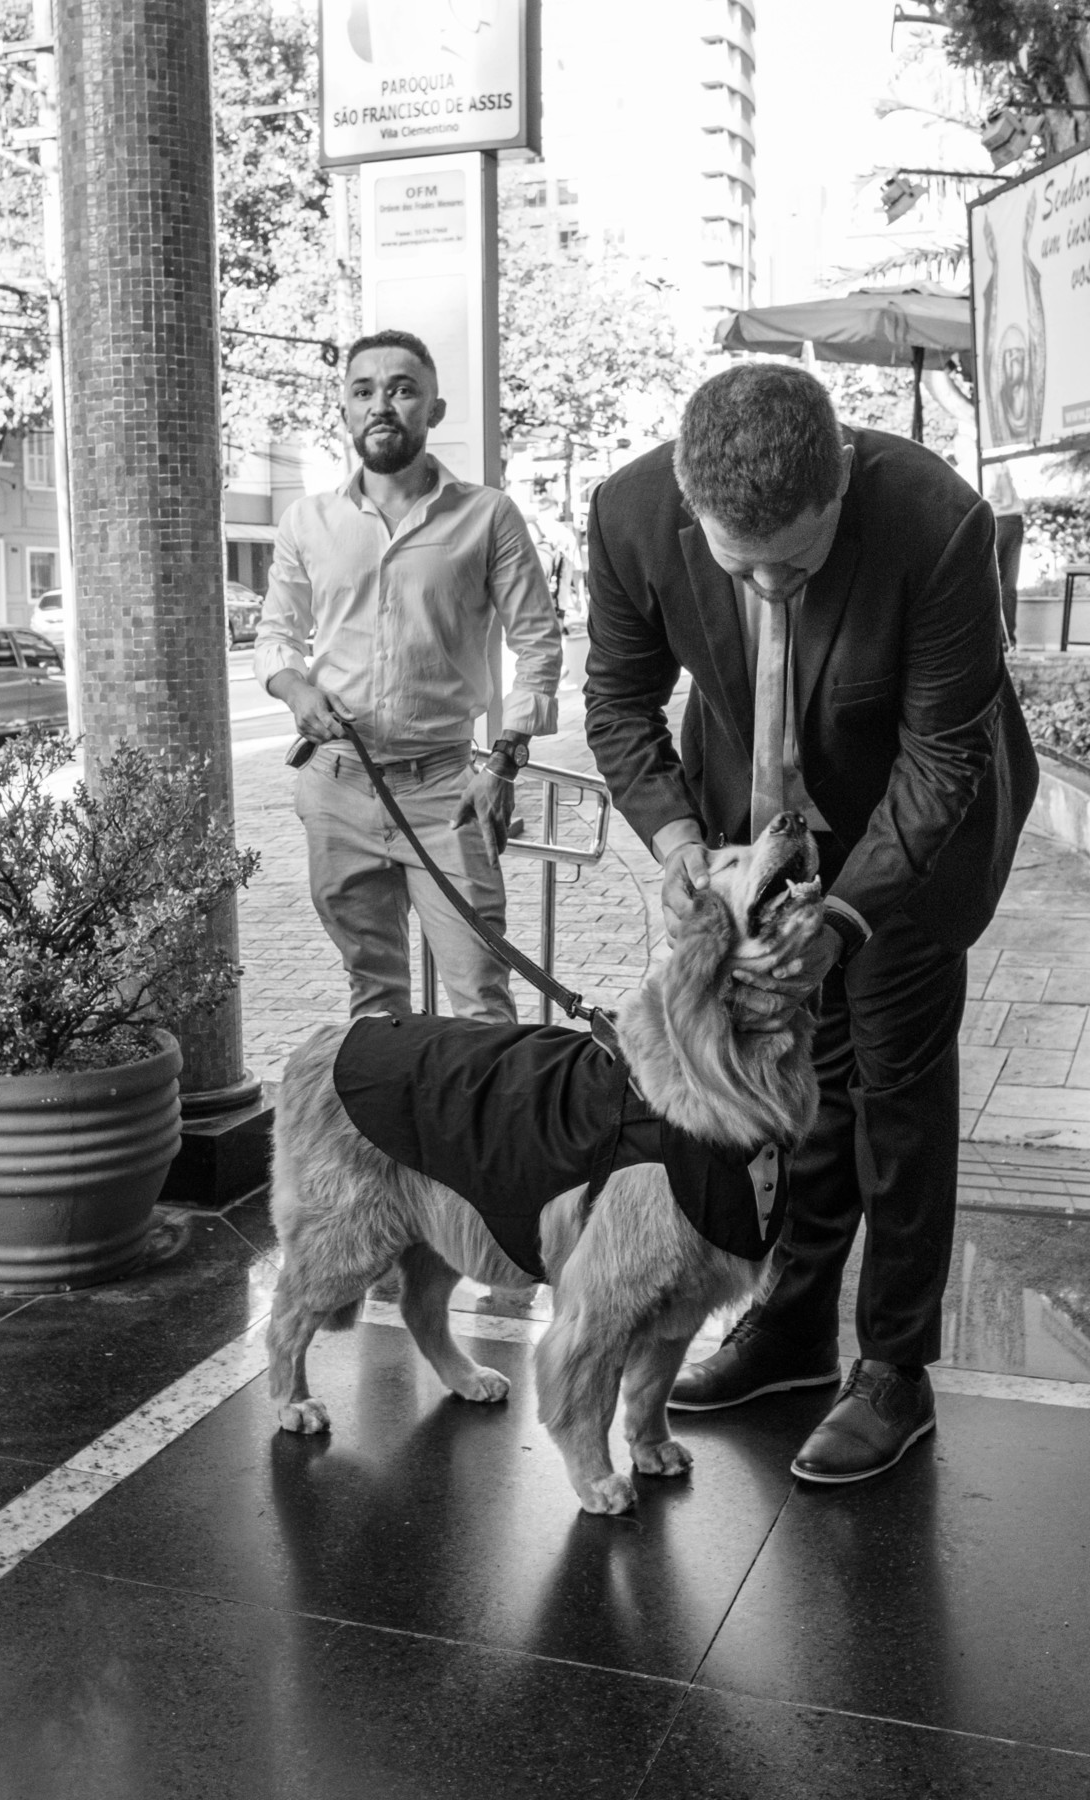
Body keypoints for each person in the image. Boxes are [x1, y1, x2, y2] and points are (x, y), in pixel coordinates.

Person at [584, 362, 1038, 1485]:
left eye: (799, 560)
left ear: (839, 479)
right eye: (747, 567)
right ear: (693, 510)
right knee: (795, 1082)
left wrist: (842, 913)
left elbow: (943, 759)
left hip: (912, 835)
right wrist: (686, 845)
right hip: (750, 814)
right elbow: (618, 704)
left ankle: (894, 1367)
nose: (776, 589)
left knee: (894, 1089)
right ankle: (789, 1326)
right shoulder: (631, 513)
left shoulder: (936, 524)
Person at [255, 328, 562, 1022]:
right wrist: (296, 688)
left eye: (402, 389)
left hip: (447, 790)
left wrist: (507, 760)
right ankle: (386, 1133)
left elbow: (538, 643)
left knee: (482, 994)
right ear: (344, 411)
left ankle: (488, 1131)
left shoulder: (487, 516)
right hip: (337, 788)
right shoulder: (308, 522)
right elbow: (274, 634)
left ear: (434, 409)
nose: (381, 404)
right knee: (375, 999)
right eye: (364, 391)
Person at [985, 462, 1024, 650]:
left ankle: (998, 640)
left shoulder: (985, 463)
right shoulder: (1002, 463)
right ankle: (1008, 640)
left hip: (997, 519)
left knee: (990, 580)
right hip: (1014, 520)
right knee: (1008, 583)